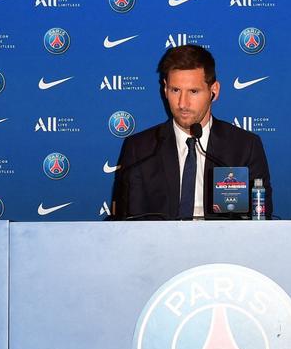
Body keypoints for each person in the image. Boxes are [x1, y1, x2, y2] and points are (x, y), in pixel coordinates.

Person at [112, 45, 272, 220]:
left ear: (214, 91)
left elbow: (260, 220)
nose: (182, 103)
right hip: (158, 245)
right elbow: (128, 224)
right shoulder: (140, 149)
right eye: (175, 90)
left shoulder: (244, 146)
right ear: (165, 89)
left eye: (193, 92)